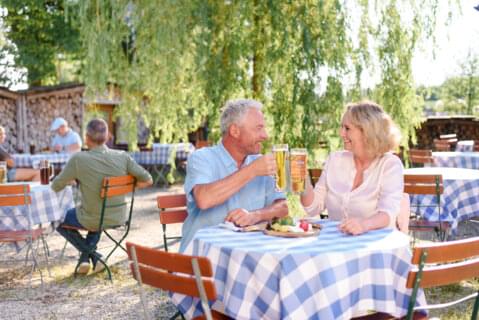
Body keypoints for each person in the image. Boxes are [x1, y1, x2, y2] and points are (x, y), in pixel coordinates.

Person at [180, 99, 288, 252]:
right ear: (235, 131)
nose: (265, 135)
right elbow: (204, 199)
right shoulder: (201, 158)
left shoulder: (261, 163)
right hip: (203, 259)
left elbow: (282, 208)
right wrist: (252, 170)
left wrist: (255, 216)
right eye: (258, 128)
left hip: (246, 257)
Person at [52, 119, 152, 274]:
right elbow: (148, 180)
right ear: (107, 137)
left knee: (56, 217)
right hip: (119, 216)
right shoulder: (123, 156)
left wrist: (72, 178)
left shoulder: (79, 159)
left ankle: (92, 254)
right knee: (98, 207)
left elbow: (56, 186)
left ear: (86, 137)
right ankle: (92, 259)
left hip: (92, 218)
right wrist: (125, 186)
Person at [301, 101, 403, 235]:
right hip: (338, 244)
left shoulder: (390, 165)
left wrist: (364, 225)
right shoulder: (335, 160)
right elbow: (313, 208)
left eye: (347, 128)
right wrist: (302, 179)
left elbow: (388, 213)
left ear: (367, 132)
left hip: (374, 244)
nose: (341, 133)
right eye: (341, 127)